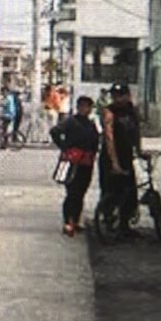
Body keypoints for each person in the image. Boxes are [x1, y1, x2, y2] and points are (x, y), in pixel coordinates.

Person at [99, 83, 148, 233]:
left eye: (120, 95)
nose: (117, 99)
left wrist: (139, 152)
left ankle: (125, 224)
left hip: (126, 156)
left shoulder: (131, 111)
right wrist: (114, 163)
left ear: (127, 96)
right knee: (111, 190)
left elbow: (136, 133)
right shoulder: (109, 112)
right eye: (114, 95)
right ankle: (108, 221)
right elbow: (109, 137)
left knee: (129, 191)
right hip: (110, 156)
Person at [50, 95, 99, 237]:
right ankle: (68, 222)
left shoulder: (91, 123)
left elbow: (95, 141)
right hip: (72, 163)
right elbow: (54, 132)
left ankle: (76, 221)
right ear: (78, 107)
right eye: (82, 106)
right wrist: (65, 148)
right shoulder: (71, 121)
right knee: (72, 193)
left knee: (81, 193)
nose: (85, 109)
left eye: (87, 106)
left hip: (87, 162)